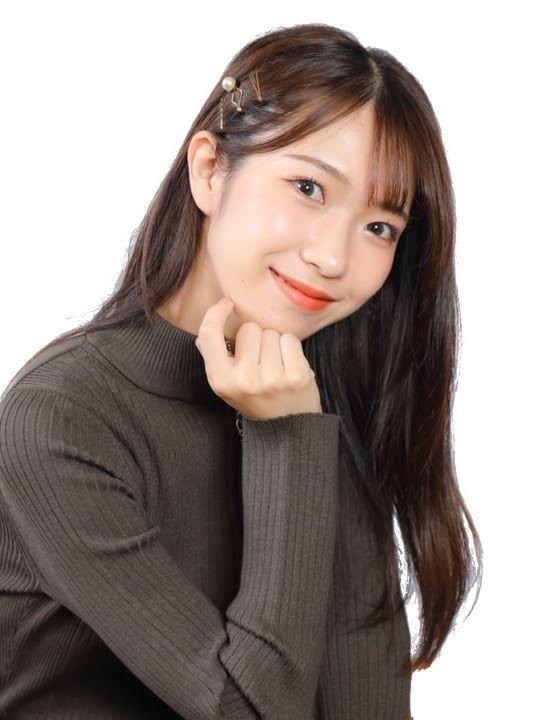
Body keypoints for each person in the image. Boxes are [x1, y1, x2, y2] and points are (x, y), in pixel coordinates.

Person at [0, 22, 482, 719]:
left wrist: (299, 429)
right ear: (209, 170)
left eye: (379, 226)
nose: (333, 257)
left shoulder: (318, 404)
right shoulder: (62, 419)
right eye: (309, 187)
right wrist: (287, 439)